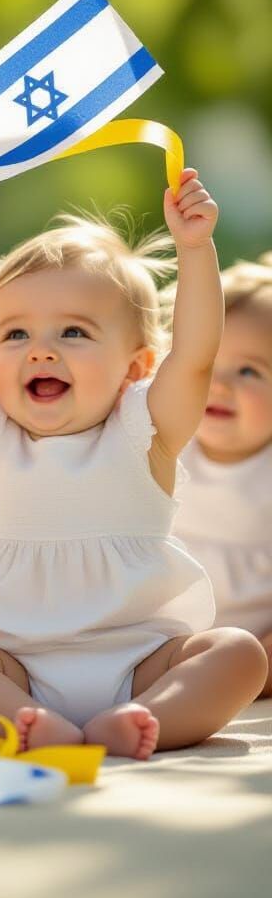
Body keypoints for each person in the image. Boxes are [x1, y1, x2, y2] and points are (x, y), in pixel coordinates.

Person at [0, 171, 267, 760]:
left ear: (135, 367)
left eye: (74, 332)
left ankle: (144, 718)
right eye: (16, 333)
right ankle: (25, 721)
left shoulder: (143, 431)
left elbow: (197, 356)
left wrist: (195, 248)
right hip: (16, 664)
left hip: (140, 660)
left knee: (238, 652)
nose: (41, 349)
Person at [173, 253, 272, 696]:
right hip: (169, 638)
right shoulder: (166, 448)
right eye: (207, 365)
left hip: (258, 644)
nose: (220, 385)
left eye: (249, 371)